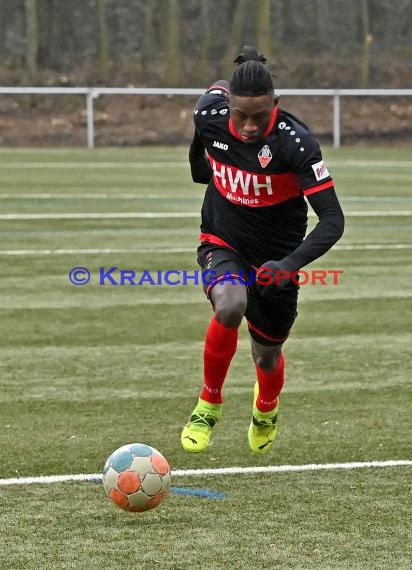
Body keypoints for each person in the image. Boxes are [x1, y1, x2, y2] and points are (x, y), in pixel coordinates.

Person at [181, 46, 344, 454]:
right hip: (223, 238)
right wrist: (201, 168)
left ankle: (266, 408)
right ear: (228, 106)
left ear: (276, 104)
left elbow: (333, 221)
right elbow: (207, 118)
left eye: (260, 115)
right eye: (240, 115)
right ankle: (208, 404)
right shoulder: (210, 116)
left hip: (277, 259)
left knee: (267, 355)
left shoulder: (296, 145)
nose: (249, 126)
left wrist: (289, 265)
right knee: (229, 304)